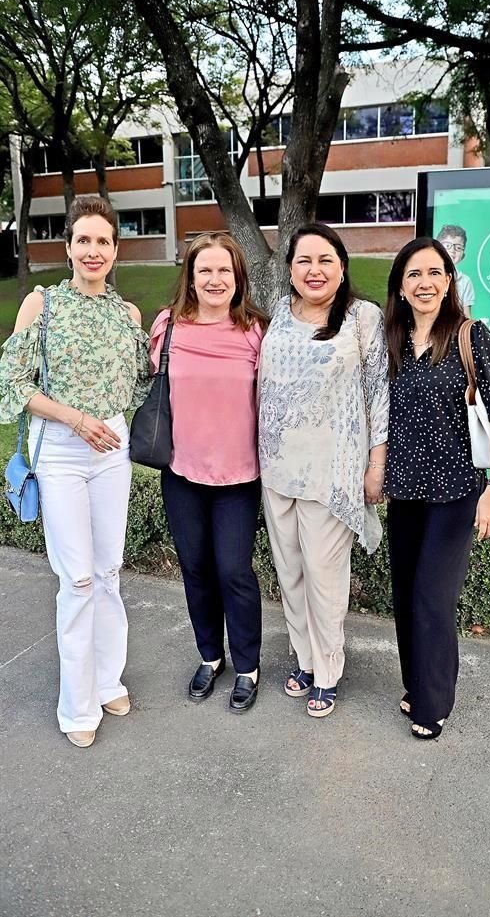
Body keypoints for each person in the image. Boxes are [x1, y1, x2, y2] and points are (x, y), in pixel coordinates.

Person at [0, 195, 151, 748]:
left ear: (115, 251)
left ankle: (108, 677)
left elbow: (140, 381)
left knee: (109, 571)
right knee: (78, 578)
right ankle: (77, 703)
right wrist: (76, 418)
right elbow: (13, 384)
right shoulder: (42, 305)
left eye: (103, 241)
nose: (93, 251)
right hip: (62, 449)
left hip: (112, 450)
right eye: (83, 240)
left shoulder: (126, 314)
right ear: (67, 247)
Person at [384, 236, 490, 740]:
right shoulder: (391, 340)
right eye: (415, 274)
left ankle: (433, 704)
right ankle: (417, 685)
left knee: (432, 599)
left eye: (435, 273)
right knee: (404, 596)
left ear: (448, 282)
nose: (425, 282)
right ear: (400, 284)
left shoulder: (469, 335)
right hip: (405, 493)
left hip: (456, 491)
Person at [258, 222, 388, 718]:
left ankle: (328, 670)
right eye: (304, 261)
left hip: (331, 474)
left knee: (323, 576)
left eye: (325, 260)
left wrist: (376, 463)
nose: (314, 270)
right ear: (290, 270)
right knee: (290, 573)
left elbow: (379, 393)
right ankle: (305, 660)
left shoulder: (362, 318)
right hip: (276, 470)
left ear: (342, 266)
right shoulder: (277, 315)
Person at [150, 233, 268, 713]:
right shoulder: (169, 326)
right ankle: (209, 655)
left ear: (238, 277)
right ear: (191, 278)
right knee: (195, 569)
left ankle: (247, 665)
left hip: (239, 477)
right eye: (205, 271)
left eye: (225, 270)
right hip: (182, 472)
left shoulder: (257, 330)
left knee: (234, 572)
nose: (215, 279)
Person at [437, 224, 475, 317]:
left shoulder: (465, 281)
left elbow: (467, 315)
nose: (453, 250)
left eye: (458, 247)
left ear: (463, 255)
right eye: (447, 245)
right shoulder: (427, 275)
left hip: (454, 329)